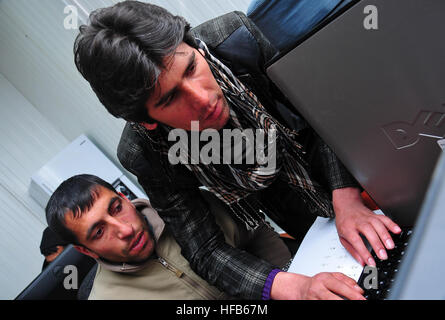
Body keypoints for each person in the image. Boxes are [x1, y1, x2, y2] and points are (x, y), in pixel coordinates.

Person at [73, 1, 401, 300]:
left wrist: (345, 196)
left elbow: (321, 107)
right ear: (147, 122)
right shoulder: (145, 154)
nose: (203, 100)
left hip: (352, 157)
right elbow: (205, 249)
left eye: (190, 69)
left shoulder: (236, 39)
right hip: (293, 209)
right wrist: (297, 286)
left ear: (194, 45)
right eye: (170, 98)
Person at [46, 174, 267, 299]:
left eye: (116, 208)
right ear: (85, 250)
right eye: (99, 232)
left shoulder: (187, 209)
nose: (126, 230)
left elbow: (257, 234)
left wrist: (285, 272)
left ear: (124, 197)